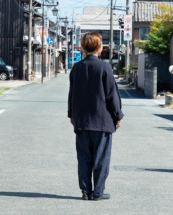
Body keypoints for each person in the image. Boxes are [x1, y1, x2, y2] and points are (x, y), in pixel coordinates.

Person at [68, 32, 124, 201]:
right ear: (100, 48)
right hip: (102, 121)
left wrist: (71, 114)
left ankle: (85, 191)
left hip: (82, 121)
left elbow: (72, 94)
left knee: (84, 157)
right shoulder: (104, 67)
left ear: (83, 48)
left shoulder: (76, 68)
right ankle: (98, 192)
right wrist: (118, 116)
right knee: (101, 158)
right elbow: (111, 95)